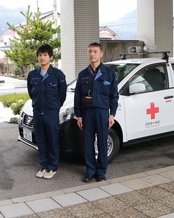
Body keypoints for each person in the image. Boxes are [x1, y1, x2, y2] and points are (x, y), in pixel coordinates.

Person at [74, 42, 119, 183]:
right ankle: (90, 171)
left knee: (102, 143)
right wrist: (79, 115)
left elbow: (114, 95)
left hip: (102, 112)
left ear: (101, 54)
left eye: (95, 51)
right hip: (87, 114)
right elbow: (77, 97)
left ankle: (101, 171)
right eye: (90, 51)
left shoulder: (109, 73)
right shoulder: (82, 75)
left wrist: (112, 114)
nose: (92, 54)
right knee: (88, 143)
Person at [27, 44, 67, 179]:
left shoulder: (58, 75)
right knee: (41, 140)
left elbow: (62, 95)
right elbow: (31, 93)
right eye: (40, 55)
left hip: (51, 113)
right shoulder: (32, 75)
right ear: (37, 58)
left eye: (45, 55)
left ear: (51, 57)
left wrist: (54, 107)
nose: (42, 57)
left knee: (52, 140)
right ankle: (43, 165)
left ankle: (52, 167)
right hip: (38, 112)